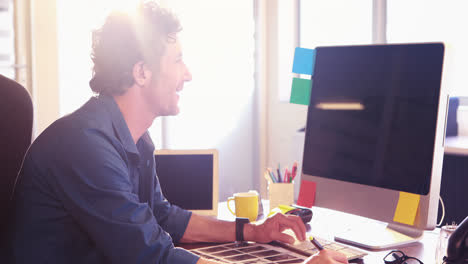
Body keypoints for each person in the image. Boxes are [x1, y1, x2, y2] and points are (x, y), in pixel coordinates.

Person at [10, 2, 348, 264]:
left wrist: (252, 232)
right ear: (142, 72)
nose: (188, 74)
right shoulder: (85, 146)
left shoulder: (134, 139)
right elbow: (153, 256)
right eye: (178, 60)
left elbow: (162, 217)